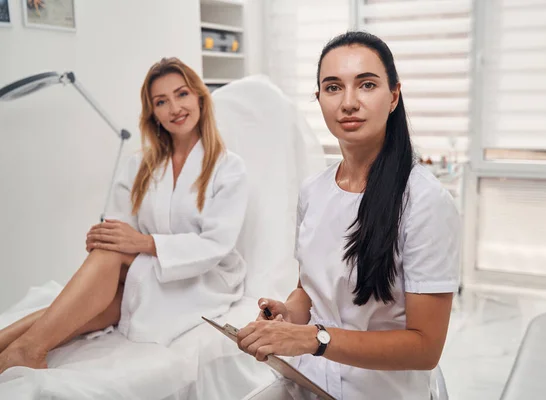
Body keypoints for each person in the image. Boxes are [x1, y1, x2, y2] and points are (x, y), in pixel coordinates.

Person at [237, 31, 460, 400]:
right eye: (333, 87)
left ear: (393, 96)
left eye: (367, 84)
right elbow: (309, 288)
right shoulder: (314, 190)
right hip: (308, 380)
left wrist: (314, 338)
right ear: (319, 98)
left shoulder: (425, 202)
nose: (349, 102)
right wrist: (290, 314)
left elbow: (425, 347)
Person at [0, 57, 248, 373]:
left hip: (203, 276)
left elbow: (216, 244)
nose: (175, 108)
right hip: (145, 266)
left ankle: (26, 349)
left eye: (182, 94)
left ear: (199, 97)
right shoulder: (140, 165)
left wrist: (140, 243)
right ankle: (16, 348)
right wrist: (107, 235)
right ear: (154, 114)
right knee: (85, 298)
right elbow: (120, 226)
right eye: (162, 101)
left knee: (100, 282)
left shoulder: (229, 167)